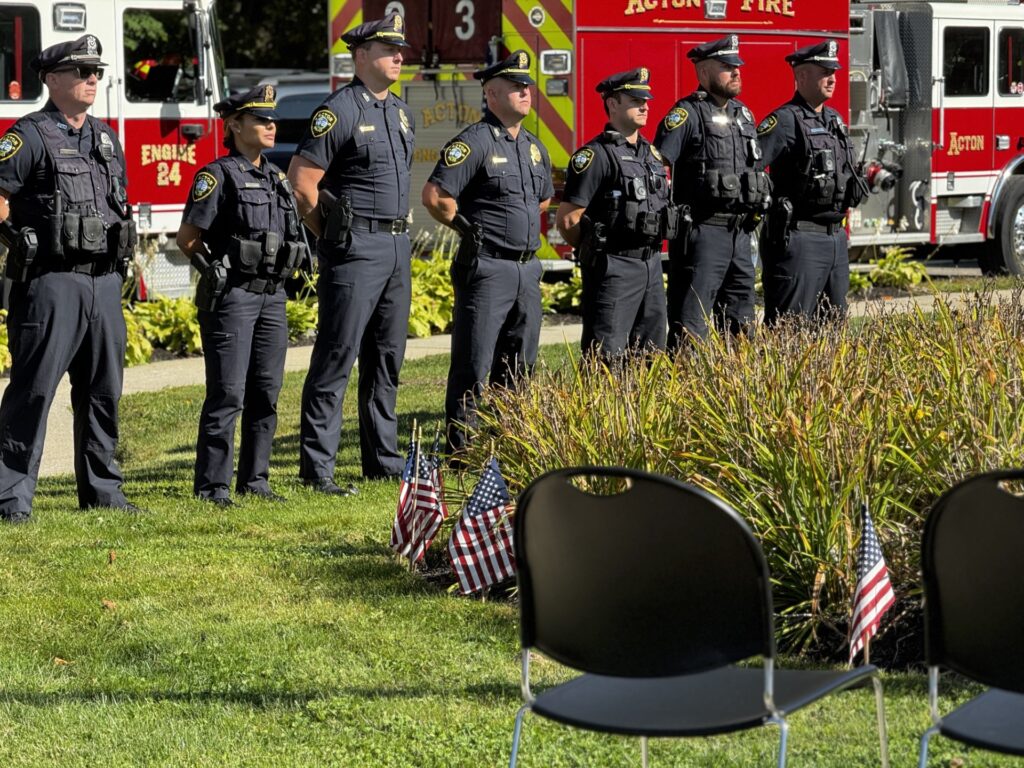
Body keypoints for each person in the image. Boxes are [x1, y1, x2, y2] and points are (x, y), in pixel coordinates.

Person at [0, 35, 140, 523]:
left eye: (96, 72)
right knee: (34, 391)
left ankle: (103, 492)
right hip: (51, 282)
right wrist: (15, 239)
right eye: (81, 72)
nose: (92, 79)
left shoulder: (105, 137)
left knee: (103, 391)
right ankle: (10, 500)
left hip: (104, 282)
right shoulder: (29, 135)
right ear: (52, 79)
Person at [288, 13, 415, 494]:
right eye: (388, 50)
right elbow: (302, 183)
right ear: (361, 56)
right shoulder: (338, 110)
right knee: (337, 355)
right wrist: (332, 236)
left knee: (387, 357)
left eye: (400, 50)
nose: (398, 56)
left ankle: (383, 461)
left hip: (396, 245)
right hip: (355, 247)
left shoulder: (400, 111)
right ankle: (317, 470)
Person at [176, 85, 307, 507]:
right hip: (233, 297)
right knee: (228, 393)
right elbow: (187, 238)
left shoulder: (277, 177)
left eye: (273, 119)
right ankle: (213, 487)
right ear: (234, 125)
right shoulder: (217, 175)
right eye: (261, 120)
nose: (271, 126)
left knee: (266, 391)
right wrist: (213, 269)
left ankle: (256, 480)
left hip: (272, 298)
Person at [421, 50, 553, 456]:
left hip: (526, 269)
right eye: (515, 87)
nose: (525, 92)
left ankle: (509, 445)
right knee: (474, 364)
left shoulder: (533, 147)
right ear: (491, 94)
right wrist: (469, 231)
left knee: (520, 364)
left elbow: (543, 199)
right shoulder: (474, 142)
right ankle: (464, 452)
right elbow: (436, 196)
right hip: (488, 266)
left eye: (527, 86)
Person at [654, 35, 770, 345]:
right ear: (703, 72)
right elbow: (657, 164)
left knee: (742, 324)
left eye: (737, 66)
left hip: (740, 234)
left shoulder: (744, 115)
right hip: (702, 232)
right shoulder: (687, 114)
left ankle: (735, 375)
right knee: (692, 325)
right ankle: (687, 374)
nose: (736, 72)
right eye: (727, 67)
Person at [555, 67, 676, 359]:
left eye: (645, 100)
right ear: (612, 103)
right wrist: (595, 252)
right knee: (606, 355)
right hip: (615, 265)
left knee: (651, 354)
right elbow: (568, 219)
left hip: (651, 265)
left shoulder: (651, 154)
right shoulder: (595, 155)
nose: (645, 106)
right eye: (635, 100)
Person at [758, 40, 867, 324]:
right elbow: (750, 166)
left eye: (834, 72)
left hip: (836, 238)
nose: (832, 78)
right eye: (825, 72)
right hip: (800, 238)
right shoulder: (784, 120)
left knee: (833, 328)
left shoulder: (834, 120)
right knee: (790, 329)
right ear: (802, 75)